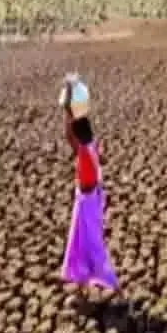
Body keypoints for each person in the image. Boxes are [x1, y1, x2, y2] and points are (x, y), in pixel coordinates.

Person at [59, 74, 119, 292]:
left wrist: (68, 108)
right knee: (81, 242)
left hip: (87, 201)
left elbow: (69, 135)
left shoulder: (84, 150)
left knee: (90, 243)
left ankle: (108, 282)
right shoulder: (91, 144)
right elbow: (76, 129)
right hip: (91, 198)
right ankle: (83, 278)